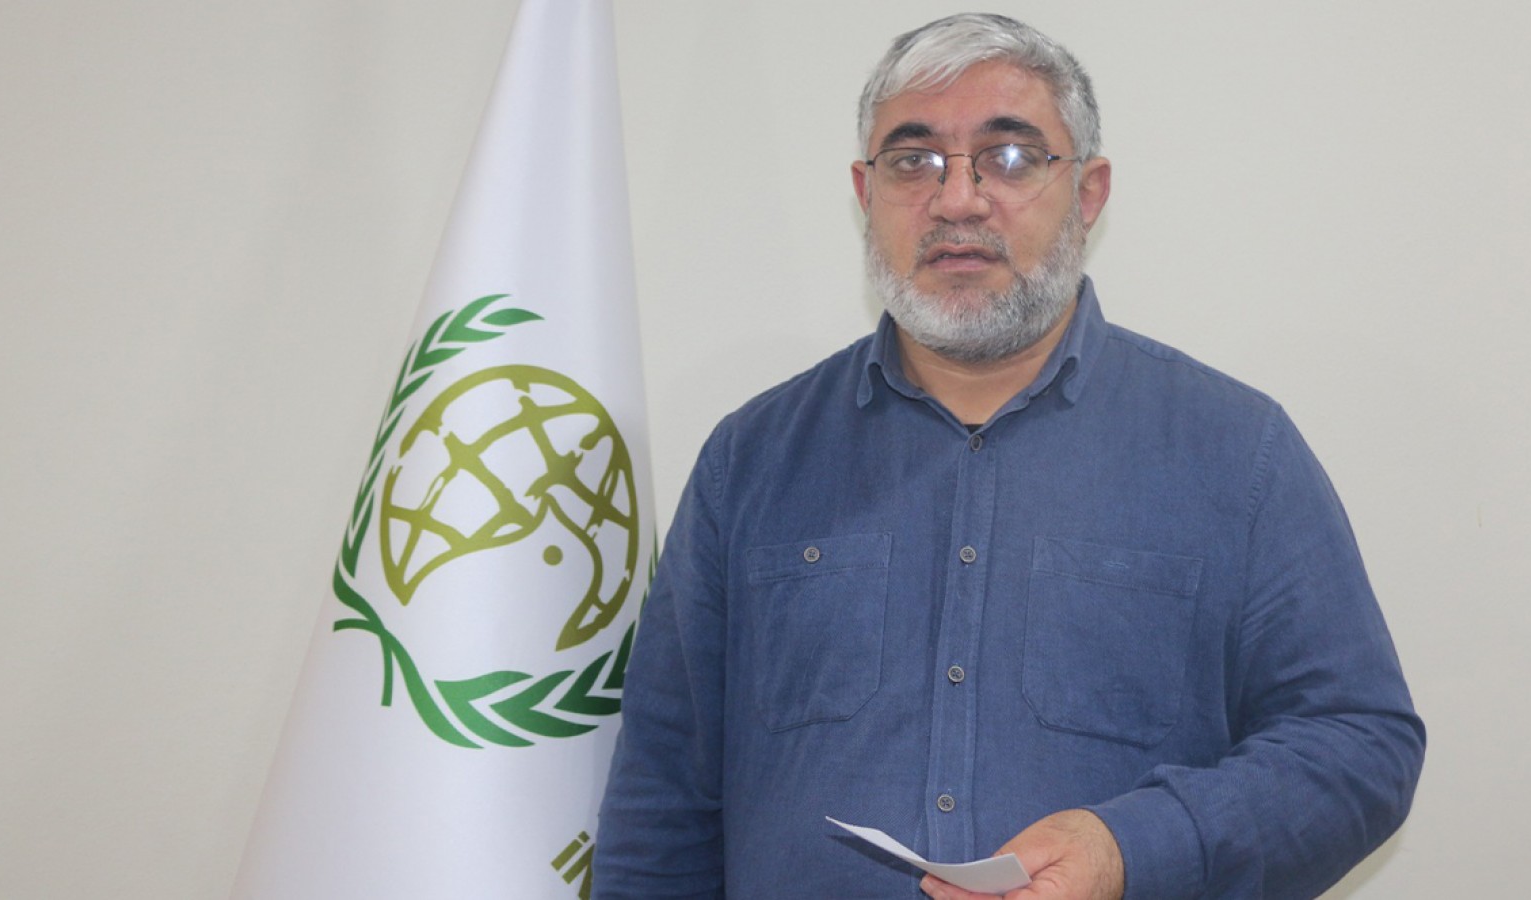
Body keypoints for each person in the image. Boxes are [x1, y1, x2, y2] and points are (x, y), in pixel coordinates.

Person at [596, 13, 1424, 899]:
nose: (956, 200)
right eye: (912, 160)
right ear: (864, 192)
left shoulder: (1234, 451)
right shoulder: (752, 460)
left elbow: (1358, 746)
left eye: (1012, 157)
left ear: (1089, 192)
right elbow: (662, 801)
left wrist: (1131, 847)